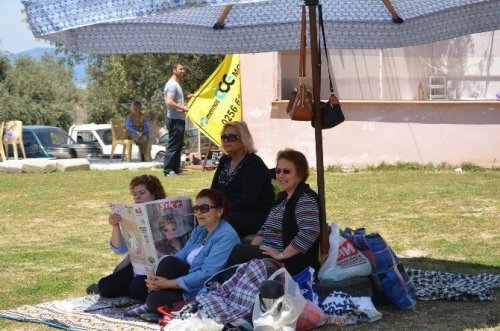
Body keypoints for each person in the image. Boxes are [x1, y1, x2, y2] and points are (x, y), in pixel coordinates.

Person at [145, 189, 240, 312]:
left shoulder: (226, 236)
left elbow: (207, 274)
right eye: (196, 208)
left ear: (219, 211)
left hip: (200, 288)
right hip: (185, 278)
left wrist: (168, 284)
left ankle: (170, 298)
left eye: (204, 208)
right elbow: (180, 256)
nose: (199, 212)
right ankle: (156, 290)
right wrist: (153, 271)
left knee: (153, 300)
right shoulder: (200, 230)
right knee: (166, 263)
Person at [229, 149, 321, 276]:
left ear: (300, 174)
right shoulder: (283, 198)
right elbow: (265, 229)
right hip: (268, 254)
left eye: (286, 171)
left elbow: (310, 232)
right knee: (236, 246)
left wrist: (281, 255)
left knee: (233, 251)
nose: (280, 175)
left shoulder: (304, 198)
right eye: (278, 171)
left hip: (288, 263)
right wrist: (251, 248)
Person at [97, 175, 166, 300]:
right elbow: (118, 249)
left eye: (142, 193)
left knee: (138, 287)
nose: (137, 197)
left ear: (154, 194)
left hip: (159, 269)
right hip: (137, 266)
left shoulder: (165, 214)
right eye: (134, 194)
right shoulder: (131, 215)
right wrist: (115, 226)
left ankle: (139, 291)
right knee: (104, 286)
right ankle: (132, 290)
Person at [211, 121, 275, 239]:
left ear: (244, 139)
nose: (226, 140)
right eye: (224, 137)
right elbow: (214, 190)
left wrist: (221, 212)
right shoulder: (225, 161)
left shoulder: (253, 164)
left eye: (232, 137)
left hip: (252, 214)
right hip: (228, 212)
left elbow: (248, 200)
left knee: (225, 223)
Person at [163, 63, 192, 176]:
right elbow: (169, 102)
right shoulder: (171, 85)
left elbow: (175, 99)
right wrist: (183, 108)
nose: (183, 71)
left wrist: (185, 97)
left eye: (183, 68)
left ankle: (175, 169)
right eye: (181, 69)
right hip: (174, 119)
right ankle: (168, 170)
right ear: (174, 70)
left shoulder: (176, 84)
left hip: (179, 119)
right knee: (173, 145)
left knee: (178, 145)